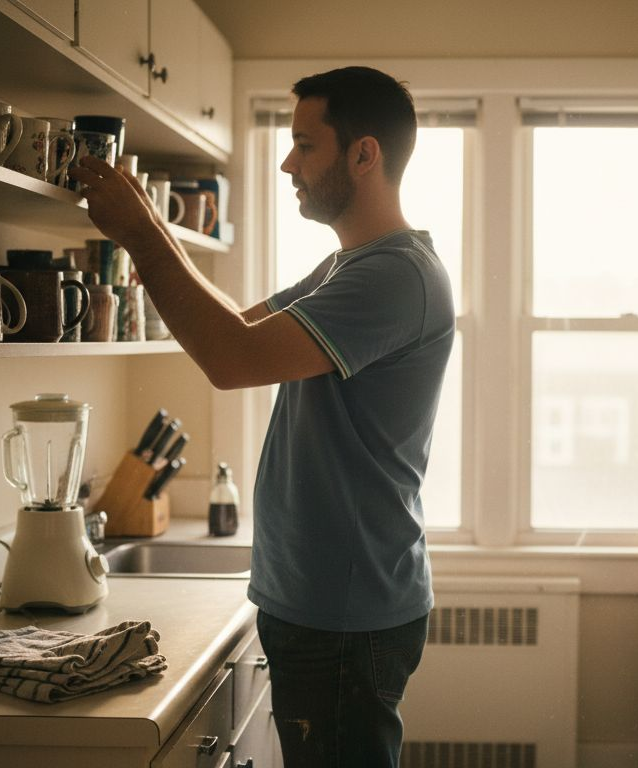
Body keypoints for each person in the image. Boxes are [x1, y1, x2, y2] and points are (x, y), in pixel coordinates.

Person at [70, 66, 453, 767]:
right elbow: (237, 328)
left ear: (363, 154)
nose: (287, 163)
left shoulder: (395, 276)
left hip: (343, 610)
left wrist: (146, 232)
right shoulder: (347, 267)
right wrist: (146, 233)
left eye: (306, 145)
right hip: (322, 599)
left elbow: (230, 359)